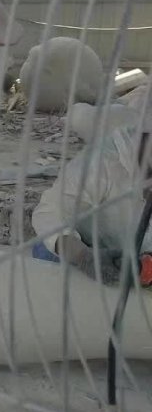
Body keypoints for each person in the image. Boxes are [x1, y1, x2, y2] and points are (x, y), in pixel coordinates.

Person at [32, 106, 152, 285]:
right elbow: (49, 213)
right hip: (85, 244)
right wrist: (83, 256)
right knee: (48, 255)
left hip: (136, 255)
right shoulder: (100, 163)